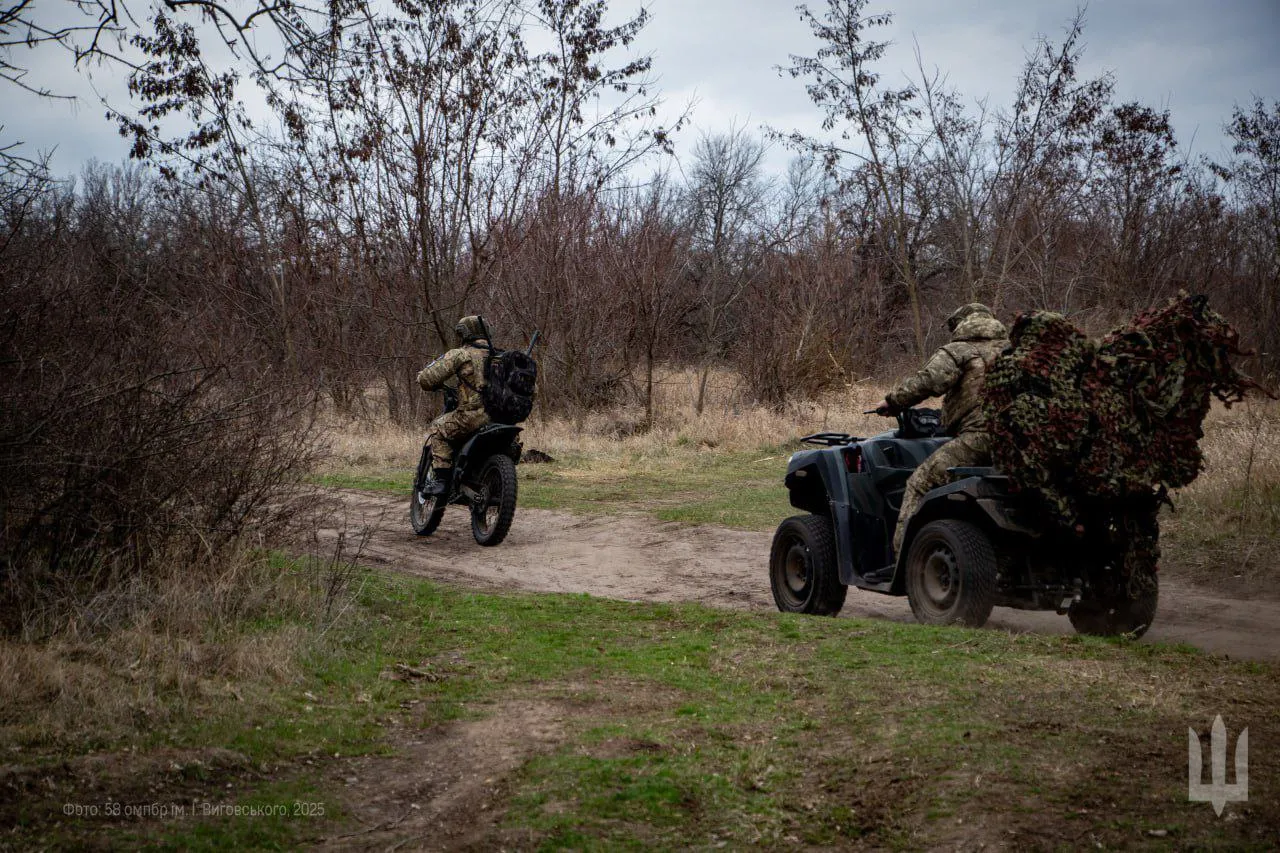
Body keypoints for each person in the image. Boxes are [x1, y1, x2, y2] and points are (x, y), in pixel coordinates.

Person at [874, 303, 1010, 558]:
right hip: (1017, 441)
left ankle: (904, 558)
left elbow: (929, 380)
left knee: (919, 483)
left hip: (979, 438)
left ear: (960, 324)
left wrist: (892, 402)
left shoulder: (960, 350)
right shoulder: (1013, 350)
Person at [416, 315, 492, 496]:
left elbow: (427, 379)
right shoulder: (503, 356)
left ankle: (441, 480)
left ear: (464, 334)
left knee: (438, 428)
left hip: (473, 416)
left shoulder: (461, 354)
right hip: (503, 418)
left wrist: (423, 379)